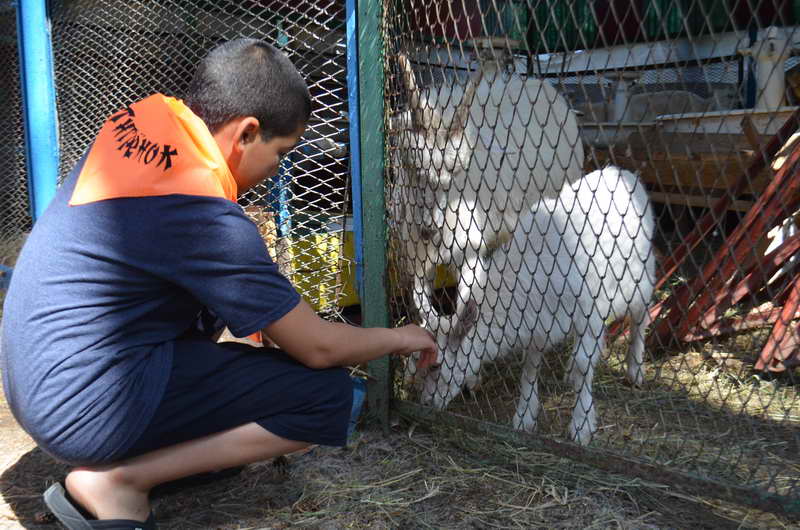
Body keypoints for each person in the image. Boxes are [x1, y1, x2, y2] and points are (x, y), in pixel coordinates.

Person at [1, 38, 436, 530]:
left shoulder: (144, 124)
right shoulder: (200, 211)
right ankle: (119, 482)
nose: (277, 170)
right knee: (322, 396)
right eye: (282, 152)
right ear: (247, 132)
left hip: (38, 379)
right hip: (83, 405)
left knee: (211, 311)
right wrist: (402, 336)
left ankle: (152, 454)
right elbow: (317, 348)